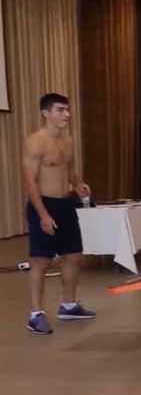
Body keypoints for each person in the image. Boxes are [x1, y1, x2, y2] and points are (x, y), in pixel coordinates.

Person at [21, 93, 96, 335]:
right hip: (43, 204)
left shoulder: (66, 140)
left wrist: (77, 183)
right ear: (46, 113)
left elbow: (68, 167)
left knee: (73, 255)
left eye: (67, 110)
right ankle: (36, 315)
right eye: (60, 110)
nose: (67, 114)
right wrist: (43, 215)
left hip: (65, 204)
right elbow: (30, 182)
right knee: (41, 261)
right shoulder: (35, 142)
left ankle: (69, 306)